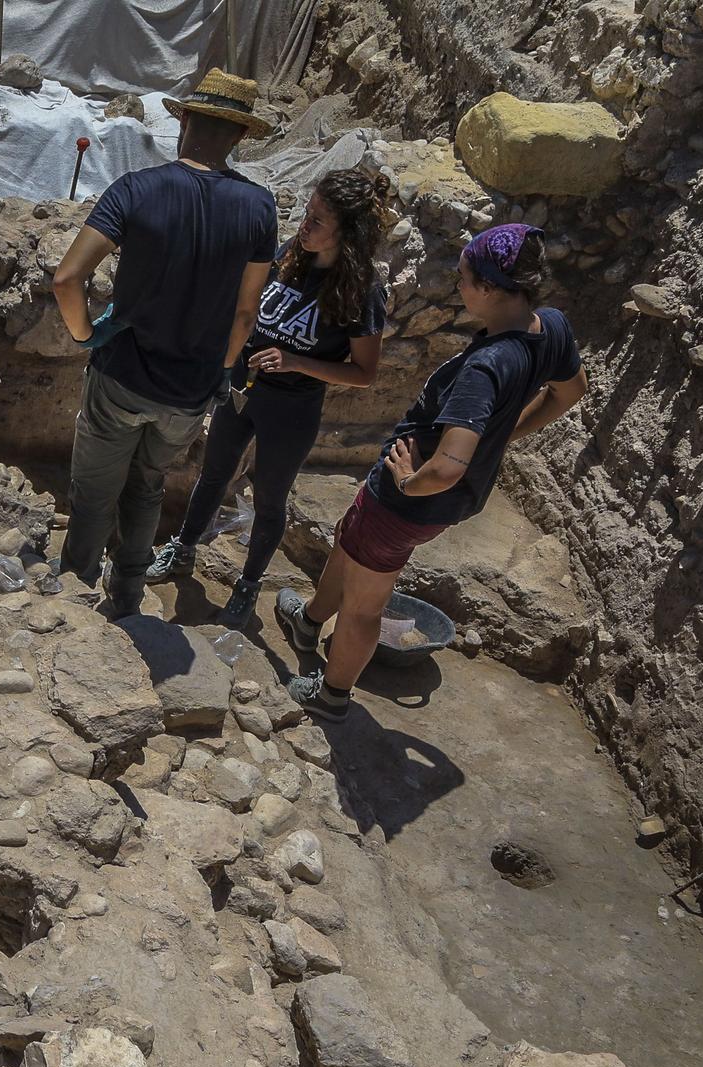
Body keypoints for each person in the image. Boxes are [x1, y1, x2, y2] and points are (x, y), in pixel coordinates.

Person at [276, 224, 587, 721]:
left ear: (488, 287)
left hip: (405, 503)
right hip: (436, 500)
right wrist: (501, 437)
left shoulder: (484, 369)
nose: (459, 287)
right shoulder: (549, 326)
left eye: (464, 278)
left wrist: (408, 482)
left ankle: (331, 695)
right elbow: (568, 393)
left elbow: (445, 467)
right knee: (347, 542)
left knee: (364, 606)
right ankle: (310, 623)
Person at [51, 69, 279, 617]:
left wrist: (86, 335)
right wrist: (220, 369)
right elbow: (246, 311)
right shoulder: (259, 208)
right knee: (148, 485)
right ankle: (128, 594)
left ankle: (75, 599)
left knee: (94, 494)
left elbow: (66, 279)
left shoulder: (136, 189)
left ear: (184, 122)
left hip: (122, 376)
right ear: (240, 137)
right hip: (190, 389)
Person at [147, 169, 391, 627]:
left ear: (348, 235)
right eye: (307, 214)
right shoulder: (292, 255)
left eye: (318, 221)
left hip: (291, 408)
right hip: (243, 390)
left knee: (270, 499)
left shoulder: (362, 292)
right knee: (213, 473)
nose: (305, 226)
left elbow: (364, 373)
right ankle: (182, 548)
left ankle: (249, 584)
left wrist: (298, 362)